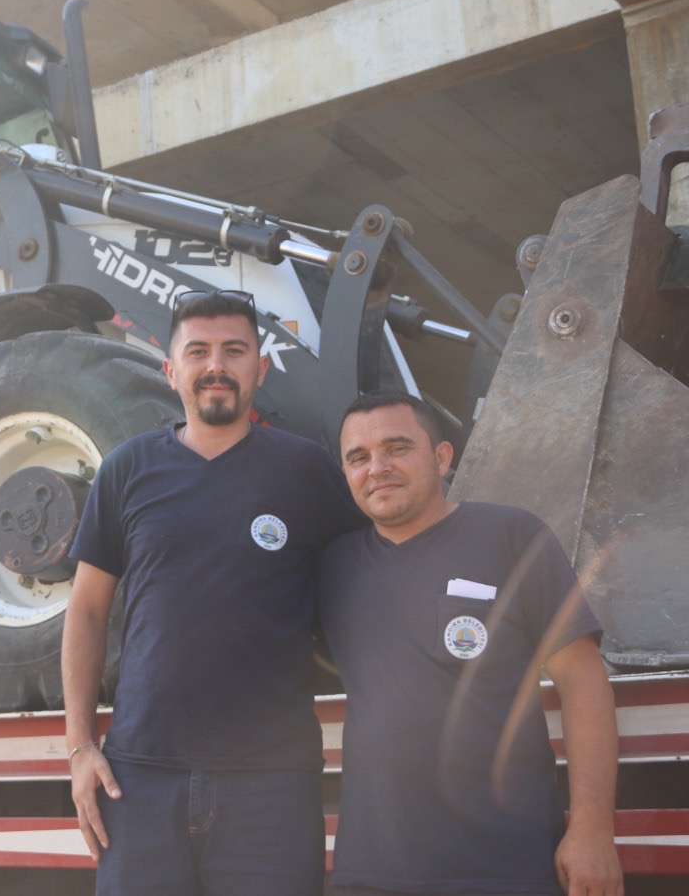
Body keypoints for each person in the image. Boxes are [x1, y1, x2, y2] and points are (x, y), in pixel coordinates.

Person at [62, 288, 366, 895]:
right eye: (197, 352)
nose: (215, 366)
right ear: (172, 370)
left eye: (234, 350)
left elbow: (364, 592)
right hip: (140, 778)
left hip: (272, 782)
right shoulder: (126, 469)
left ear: (261, 366)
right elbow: (88, 611)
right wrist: (79, 749)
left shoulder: (306, 470)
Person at [318, 392, 623, 896]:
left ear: (442, 456)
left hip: (507, 867)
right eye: (358, 457)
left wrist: (592, 828)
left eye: (397, 447)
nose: (378, 468)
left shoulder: (511, 536)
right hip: (372, 872)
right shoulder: (333, 567)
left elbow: (583, 679)